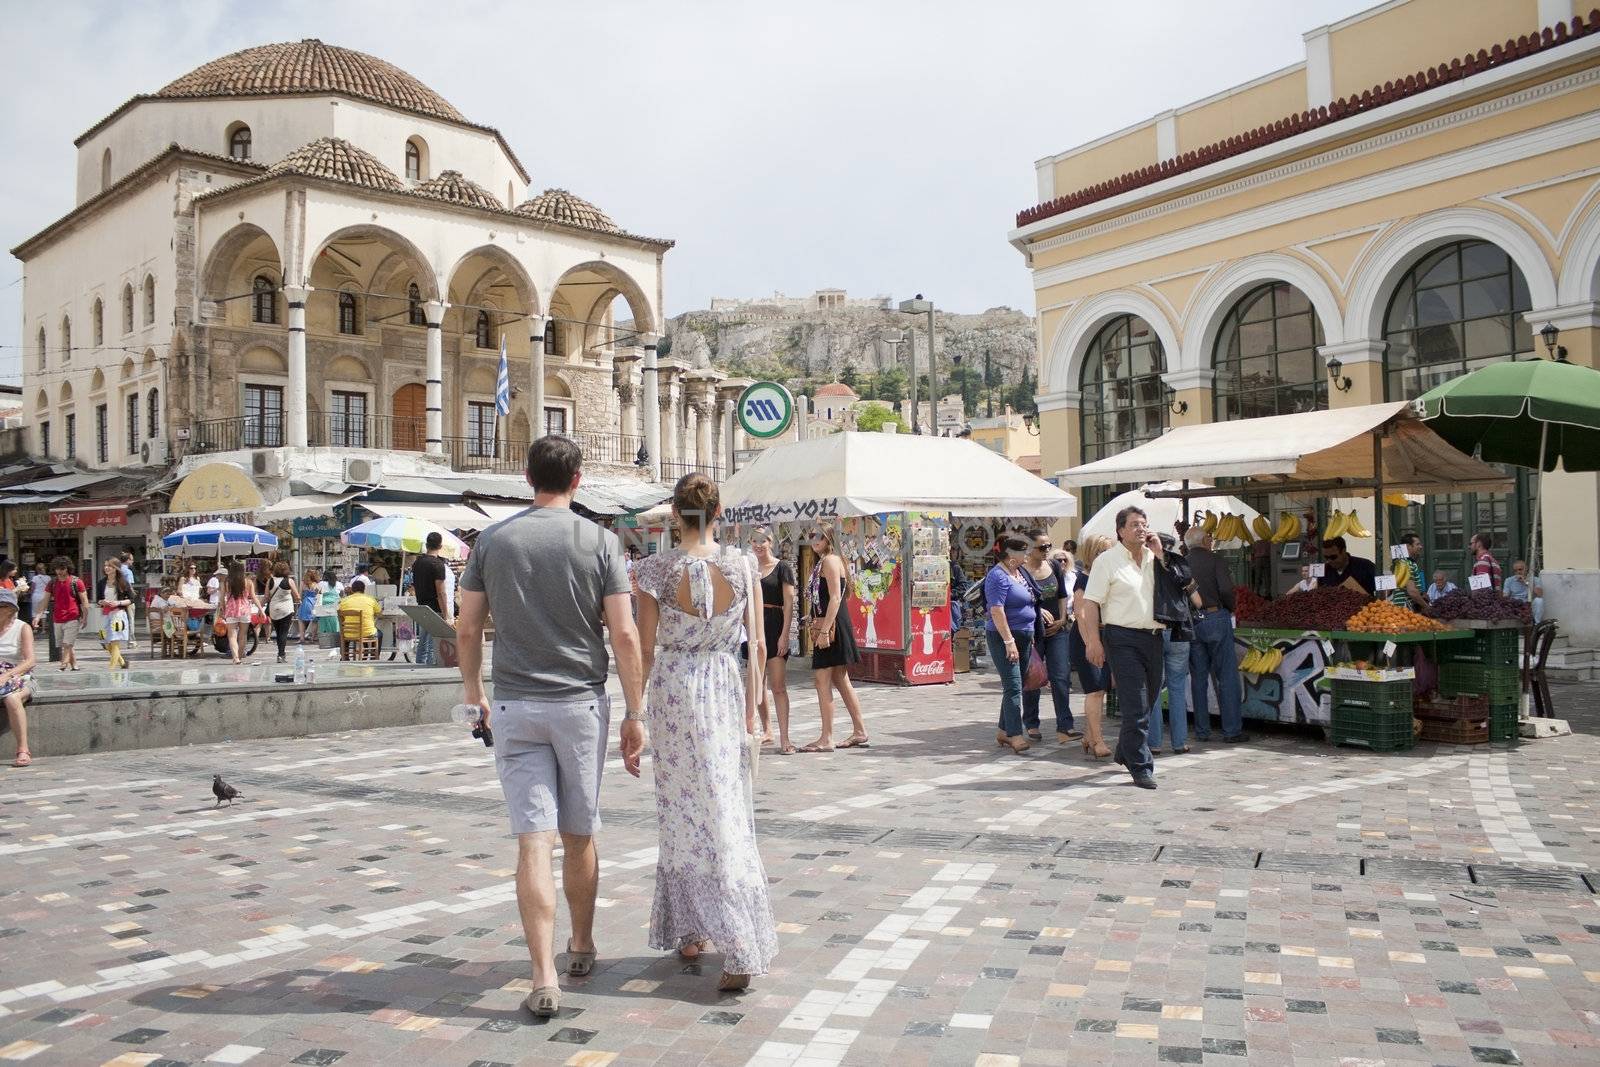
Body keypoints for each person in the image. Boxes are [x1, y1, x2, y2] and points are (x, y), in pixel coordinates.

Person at [455, 435, 646, 1019]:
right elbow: (624, 633)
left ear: (526, 476)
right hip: (580, 705)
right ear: (579, 479)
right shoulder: (601, 541)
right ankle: (582, 945)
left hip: (515, 704)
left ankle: (542, 975)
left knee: (532, 839)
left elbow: (466, 628)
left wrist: (474, 693)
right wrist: (636, 712)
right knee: (579, 833)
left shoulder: (494, 539)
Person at [635, 473, 778, 992]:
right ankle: (715, 935)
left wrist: (635, 710)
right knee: (726, 809)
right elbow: (757, 647)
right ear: (718, 513)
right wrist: (756, 710)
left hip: (673, 689)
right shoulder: (742, 565)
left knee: (682, 813)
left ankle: (705, 934)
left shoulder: (653, 570)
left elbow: (646, 649)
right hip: (723, 684)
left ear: (675, 513)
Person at [1080, 506, 1163, 790]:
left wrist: (1161, 553)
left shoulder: (1155, 558)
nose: (1141, 528)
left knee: (1150, 699)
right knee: (1135, 704)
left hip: (1153, 637)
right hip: (1122, 638)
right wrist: (1093, 641)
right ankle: (1141, 766)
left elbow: (1178, 585)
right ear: (1121, 531)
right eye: (1135, 524)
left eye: (1144, 523)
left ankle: (1125, 751)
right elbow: (1090, 604)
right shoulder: (1108, 560)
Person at [802, 524, 868, 752]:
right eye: (811, 535)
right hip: (832, 623)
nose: (814, 539)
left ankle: (826, 737)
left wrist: (823, 630)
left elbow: (835, 598)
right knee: (840, 678)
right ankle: (859, 730)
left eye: (818, 535)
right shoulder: (826, 560)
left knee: (822, 680)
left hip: (832, 627)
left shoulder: (830, 560)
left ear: (829, 537)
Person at [1184, 525, 1246, 744]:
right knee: (1226, 676)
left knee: (1198, 678)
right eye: (1209, 538)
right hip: (1215, 617)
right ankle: (1231, 730)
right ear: (1205, 541)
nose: (1211, 542)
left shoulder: (1183, 563)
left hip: (1192, 621)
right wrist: (1229, 608)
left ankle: (1202, 730)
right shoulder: (1215, 560)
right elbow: (1227, 590)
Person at [1021, 530, 1078, 744]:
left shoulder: (1054, 566)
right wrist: (1036, 611)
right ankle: (1032, 722)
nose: (1047, 551)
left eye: (1048, 546)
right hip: (1033, 632)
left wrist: (1062, 619)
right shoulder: (1021, 571)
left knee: (1061, 676)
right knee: (1034, 676)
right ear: (1029, 548)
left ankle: (1065, 724)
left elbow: (1062, 595)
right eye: (1041, 547)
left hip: (1057, 630)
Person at [985, 535, 1038, 755]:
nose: (1027, 555)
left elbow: (1029, 599)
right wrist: (1009, 642)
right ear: (1011, 554)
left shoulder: (1019, 573)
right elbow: (997, 610)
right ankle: (1015, 734)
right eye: (1023, 551)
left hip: (1025, 634)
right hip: (1005, 637)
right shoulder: (997, 576)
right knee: (1014, 685)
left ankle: (1003, 730)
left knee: (1015, 684)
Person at [1147, 532, 1197, 756]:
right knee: (1177, 688)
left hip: (1155, 628)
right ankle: (1180, 742)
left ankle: (1154, 743)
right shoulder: (1179, 564)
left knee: (1154, 689)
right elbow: (1196, 597)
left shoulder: (1145, 566)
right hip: (1179, 628)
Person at [750, 527, 797, 754]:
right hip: (752, 629)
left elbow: (789, 605)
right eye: (754, 541)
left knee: (778, 686)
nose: (758, 545)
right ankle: (767, 729)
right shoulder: (749, 569)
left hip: (774, 625)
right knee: (757, 685)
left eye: (763, 540)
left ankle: (785, 738)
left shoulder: (783, 568)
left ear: (771, 542)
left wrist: (785, 635)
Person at [1069, 535, 1114, 760]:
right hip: (1087, 638)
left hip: (1104, 637)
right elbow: (1080, 613)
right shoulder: (1083, 579)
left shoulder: (1104, 577)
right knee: (1095, 690)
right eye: (1105, 551)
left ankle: (1089, 735)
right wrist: (1091, 644)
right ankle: (1097, 740)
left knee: (1100, 690)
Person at [0, 589, 38, 767]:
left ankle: (23, 749)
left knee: (12, 698)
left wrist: (7, 675)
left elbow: (30, 661)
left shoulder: (22, 627)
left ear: (9, 609)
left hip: (19, 673)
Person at [34, 557, 90, 672]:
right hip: (57, 618)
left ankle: (63, 664)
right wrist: (38, 616)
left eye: (62, 569)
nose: (59, 571)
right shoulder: (52, 583)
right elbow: (45, 600)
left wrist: (85, 617)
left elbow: (85, 601)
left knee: (67, 643)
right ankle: (74, 665)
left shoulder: (77, 582)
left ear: (68, 568)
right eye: (57, 569)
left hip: (73, 616)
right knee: (65, 644)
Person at [412, 532, 452, 666]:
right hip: (434, 607)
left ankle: (418, 667)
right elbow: (441, 592)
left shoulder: (417, 563)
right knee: (431, 644)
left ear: (426, 545)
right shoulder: (438, 565)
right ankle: (427, 671)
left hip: (421, 605)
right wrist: (446, 614)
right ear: (440, 546)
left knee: (423, 641)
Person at [220, 562, 260, 664]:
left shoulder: (226, 582)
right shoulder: (248, 582)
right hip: (245, 610)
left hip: (231, 610)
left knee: (232, 635)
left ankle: (236, 658)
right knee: (243, 635)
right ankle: (240, 656)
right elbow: (254, 597)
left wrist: (223, 609)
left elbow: (222, 599)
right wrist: (261, 609)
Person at [98, 559, 135, 669]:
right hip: (105, 614)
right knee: (105, 641)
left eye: (110, 566)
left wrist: (118, 602)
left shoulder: (123, 582)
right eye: (105, 565)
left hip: (118, 614)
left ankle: (111, 669)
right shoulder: (101, 583)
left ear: (116, 568)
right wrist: (102, 602)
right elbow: (98, 600)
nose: (106, 568)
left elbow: (131, 599)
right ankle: (122, 662)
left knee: (114, 641)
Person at [263, 562, 300, 663]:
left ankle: (280, 653)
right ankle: (281, 655)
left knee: (279, 632)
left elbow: (266, 597)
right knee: (283, 632)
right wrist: (297, 599)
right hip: (286, 609)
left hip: (273, 610)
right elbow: (297, 596)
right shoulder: (289, 581)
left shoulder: (270, 581)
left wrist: (260, 608)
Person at [337, 576, 382, 653]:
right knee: (380, 634)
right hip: (367, 632)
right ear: (364, 589)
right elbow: (379, 613)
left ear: (352, 589)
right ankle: (374, 656)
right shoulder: (371, 599)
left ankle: (345, 656)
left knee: (342, 634)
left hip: (349, 633)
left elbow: (341, 616)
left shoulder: (344, 601)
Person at [1391, 531, 1426, 608]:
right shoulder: (1405, 564)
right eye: (1417, 544)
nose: (1421, 547)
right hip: (1405, 609)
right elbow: (1412, 591)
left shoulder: (1409, 562)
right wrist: (1426, 607)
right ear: (1408, 546)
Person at [317, 569, 343, 642]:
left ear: (324, 576)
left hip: (323, 607)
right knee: (335, 623)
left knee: (323, 623)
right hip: (335, 606)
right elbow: (342, 595)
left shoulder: (321, 583)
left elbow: (317, 594)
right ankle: (336, 639)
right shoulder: (339, 584)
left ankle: (324, 639)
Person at [297, 568, 320, 643]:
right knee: (314, 621)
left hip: (306, 603)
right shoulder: (317, 585)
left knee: (301, 619)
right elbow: (319, 595)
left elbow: (299, 595)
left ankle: (302, 638)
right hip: (314, 603)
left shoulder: (302, 583)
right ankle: (313, 637)